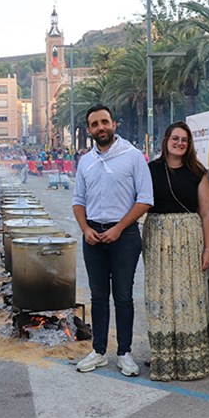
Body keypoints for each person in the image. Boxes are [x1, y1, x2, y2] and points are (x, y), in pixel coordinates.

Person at [72, 105, 153, 377]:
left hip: (124, 235)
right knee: (98, 296)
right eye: (95, 124)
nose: (101, 127)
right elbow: (78, 200)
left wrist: (119, 228)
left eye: (104, 122)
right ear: (89, 130)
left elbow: (145, 199)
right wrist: (85, 229)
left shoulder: (132, 156)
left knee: (123, 296)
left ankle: (124, 353)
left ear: (114, 124)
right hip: (93, 236)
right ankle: (98, 351)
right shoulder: (86, 161)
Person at [143, 122, 209, 381]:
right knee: (159, 295)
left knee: (189, 295)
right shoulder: (150, 169)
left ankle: (189, 359)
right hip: (157, 239)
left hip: (189, 239)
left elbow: (205, 213)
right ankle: (162, 356)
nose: (180, 143)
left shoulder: (198, 172)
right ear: (166, 140)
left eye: (184, 140)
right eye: (175, 138)